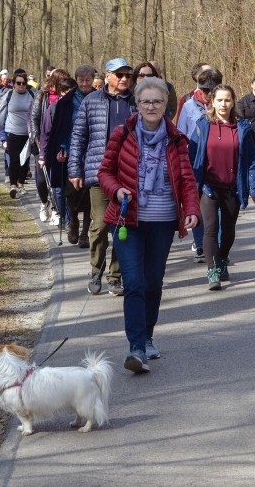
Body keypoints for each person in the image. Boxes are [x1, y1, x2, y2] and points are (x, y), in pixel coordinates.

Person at [98, 76, 200, 373]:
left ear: (165, 105)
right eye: (145, 101)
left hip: (163, 220)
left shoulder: (177, 138)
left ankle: (148, 335)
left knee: (153, 282)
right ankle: (136, 348)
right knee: (134, 283)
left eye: (157, 101)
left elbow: (187, 180)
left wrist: (191, 209)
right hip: (127, 219)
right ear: (137, 105)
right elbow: (104, 172)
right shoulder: (122, 133)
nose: (151, 106)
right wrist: (116, 189)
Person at [68, 58, 137, 296]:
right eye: (119, 75)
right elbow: (79, 137)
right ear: (107, 76)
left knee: (121, 225)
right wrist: (74, 169)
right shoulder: (91, 101)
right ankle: (96, 269)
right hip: (99, 172)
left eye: (128, 75)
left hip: (127, 173)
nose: (125, 79)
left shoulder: (136, 103)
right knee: (99, 225)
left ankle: (115, 276)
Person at [188, 84, 255, 290]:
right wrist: (191, 186)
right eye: (219, 100)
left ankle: (222, 259)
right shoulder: (202, 125)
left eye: (227, 100)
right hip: (209, 187)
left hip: (233, 187)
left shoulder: (242, 127)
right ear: (212, 101)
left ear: (233, 102)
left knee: (229, 230)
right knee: (211, 228)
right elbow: (192, 156)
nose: (223, 104)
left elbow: (250, 160)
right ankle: (212, 269)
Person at [41, 65, 96, 247]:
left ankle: (85, 234)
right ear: (77, 81)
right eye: (81, 80)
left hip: (94, 153)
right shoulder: (66, 103)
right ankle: (73, 221)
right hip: (72, 152)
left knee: (90, 194)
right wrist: (61, 148)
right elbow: (60, 129)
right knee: (71, 192)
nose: (85, 83)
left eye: (88, 80)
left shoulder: (99, 99)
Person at [176, 67, 222, 263]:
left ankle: (216, 248)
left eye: (212, 90)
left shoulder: (224, 105)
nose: (208, 94)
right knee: (198, 203)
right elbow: (180, 134)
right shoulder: (188, 106)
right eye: (204, 89)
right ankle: (201, 244)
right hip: (194, 161)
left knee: (216, 206)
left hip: (218, 162)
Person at [32, 73, 73, 224]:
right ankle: (51, 207)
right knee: (50, 183)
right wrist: (41, 149)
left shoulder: (78, 105)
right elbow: (38, 121)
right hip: (50, 148)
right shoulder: (45, 98)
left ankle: (65, 216)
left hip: (70, 151)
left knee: (68, 187)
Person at [0, 70, 37, 199]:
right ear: (14, 83)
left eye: (24, 83)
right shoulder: (8, 95)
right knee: (14, 159)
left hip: (28, 133)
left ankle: (21, 183)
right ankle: (13, 185)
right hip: (12, 131)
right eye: (18, 83)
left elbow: (37, 113)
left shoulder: (32, 94)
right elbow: (0, 115)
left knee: (25, 160)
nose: (21, 85)